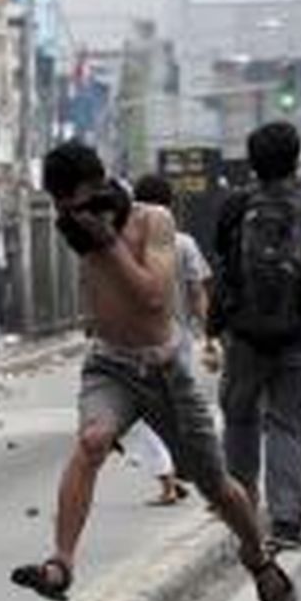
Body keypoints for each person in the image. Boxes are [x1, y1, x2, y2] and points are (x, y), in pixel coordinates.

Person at [11, 140, 296, 601]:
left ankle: (258, 557)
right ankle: (61, 562)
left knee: (217, 485)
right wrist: (90, 234)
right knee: (92, 440)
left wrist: (109, 242)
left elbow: (152, 299)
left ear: (100, 189)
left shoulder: (152, 221)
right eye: (63, 207)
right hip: (109, 366)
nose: (70, 216)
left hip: (164, 370)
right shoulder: (78, 228)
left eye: (77, 203)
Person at [207, 121, 301, 550]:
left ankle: (242, 512)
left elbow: (222, 264)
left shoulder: (234, 205)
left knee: (240, 419)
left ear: (252, 160)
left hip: (244, 336)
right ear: (295, 157)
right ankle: (286, 521)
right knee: (291, 425)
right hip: (298, 335)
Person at [114, 174, 213, 507]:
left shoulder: (125, 243)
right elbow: (198, 293)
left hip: (135, 341)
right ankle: (191, 473)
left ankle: (170, 477)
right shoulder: (184, 243)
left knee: (140, 412)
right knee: (179, 410)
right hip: (177, 341)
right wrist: (210, 336)